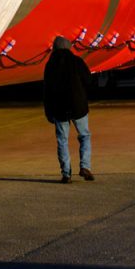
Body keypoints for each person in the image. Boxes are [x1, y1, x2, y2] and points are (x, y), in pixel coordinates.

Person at [43, 35, 93, 183]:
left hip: (59, 109)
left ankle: (66, 174)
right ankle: (85, 166)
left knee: (62, 141)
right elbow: (88, 81)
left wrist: (48, 111)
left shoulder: (50, 65)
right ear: (69, 47)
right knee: (84, 136)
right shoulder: (77, 62)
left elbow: (46, 90)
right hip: (78, 106)